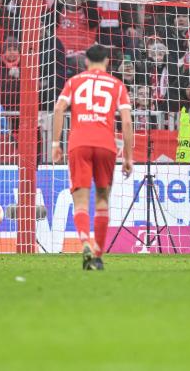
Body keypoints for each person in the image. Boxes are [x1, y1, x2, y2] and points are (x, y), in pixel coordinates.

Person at [52, 44, 133, 270]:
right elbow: (126, 122)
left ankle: (85, 240)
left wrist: (55, 143)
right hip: (106, 145)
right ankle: (97, 255)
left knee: (80, 201)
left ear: (86, 62)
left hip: (79, 143)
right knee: (102, 200)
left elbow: (58, 109)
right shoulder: (117, 85)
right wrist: (128, 157)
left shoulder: (74, 82)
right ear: (107, 62)